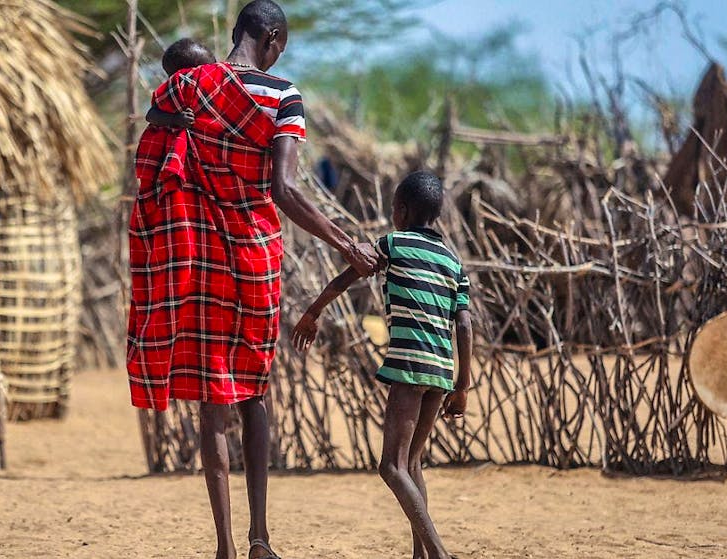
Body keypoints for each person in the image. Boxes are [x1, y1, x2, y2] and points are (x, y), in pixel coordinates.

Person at [127, 2, 378, 558]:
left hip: (200, 260)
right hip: (254, 259)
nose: (280, 54)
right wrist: (346, 243)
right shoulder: (282, 96)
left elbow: (155, 124)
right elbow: (285, 191)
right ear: (269, 37)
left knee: (212, 405)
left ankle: (223, 547)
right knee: (255, 394)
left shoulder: (189, 86)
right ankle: (260, 538)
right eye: (280, 45)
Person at [291, 171, 473, 559]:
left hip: (409, 367)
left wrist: (313, 312)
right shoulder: (453, 261)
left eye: (393, 208)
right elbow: (464, 323)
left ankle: (439, 553)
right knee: (412, 462)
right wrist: (462, 386)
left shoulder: (392, 243)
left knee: (391, 467)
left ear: (402, 211)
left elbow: (348, 277)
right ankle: (421, 557)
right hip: (441, 370)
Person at [144, 38, 216, 129]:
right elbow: (151, 115)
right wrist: (176, 119)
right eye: (207, 71)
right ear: (182, 78)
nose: (215, 72)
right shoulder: (171, 94)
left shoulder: (215, 90)